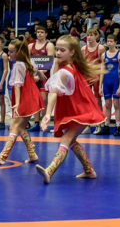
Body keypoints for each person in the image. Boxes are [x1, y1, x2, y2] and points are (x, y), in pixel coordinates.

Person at [38, 36, 106, 184]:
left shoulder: (65, 72)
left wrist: (48, 114)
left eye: (62, 50)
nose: (58, 53)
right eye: (56, 49)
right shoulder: (71, 68)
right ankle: (89, 170)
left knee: (66, 139)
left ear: (72, 53)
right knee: (72, 140)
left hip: (82, 113)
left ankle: (50, 171)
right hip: (81, 112)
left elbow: (54, 92)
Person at [0, 38, 43, 165]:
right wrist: (38, 75)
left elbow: (17, 86)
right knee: (21, 127)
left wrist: (17, 103)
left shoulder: (18, 65)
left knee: (13, 126)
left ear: (18, 53)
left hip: (24, 99)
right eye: (9, 51)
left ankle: (3, 156)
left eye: (11, 52)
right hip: (32, 97)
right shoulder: (28, 62)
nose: (9, 54)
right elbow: (34, 72)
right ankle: (32, 154)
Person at [95, 35, 120, 135]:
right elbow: (102, 71)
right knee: (107, 105)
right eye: (108, 41)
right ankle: (106, 126)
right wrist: (100, 86)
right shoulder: (104, 55)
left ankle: (118, 127)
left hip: (115, 81)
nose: (109, 43)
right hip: (106, 82)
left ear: (115, 42)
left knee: (116, 104)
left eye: (111, 41)